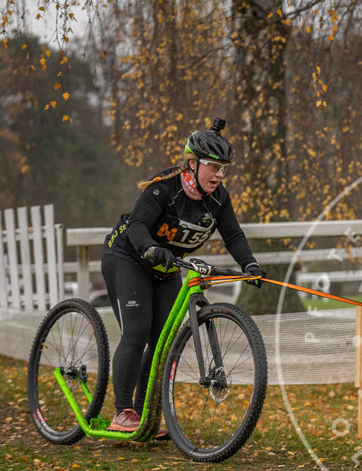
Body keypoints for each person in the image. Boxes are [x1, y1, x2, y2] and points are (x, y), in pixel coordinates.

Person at [101, 118, 263, 434]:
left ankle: (144, 417)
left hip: (167, 268)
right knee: (136, 331)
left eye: (224, 168)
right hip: (128, 257)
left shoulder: (219, 198)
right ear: (192, 163)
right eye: (213, 166)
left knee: (161, 341)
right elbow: (136, 226)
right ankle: (122, 412)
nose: (219, 174)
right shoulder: (164, 187)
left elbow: (233, 235)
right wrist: (150, 248)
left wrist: (250, 265)